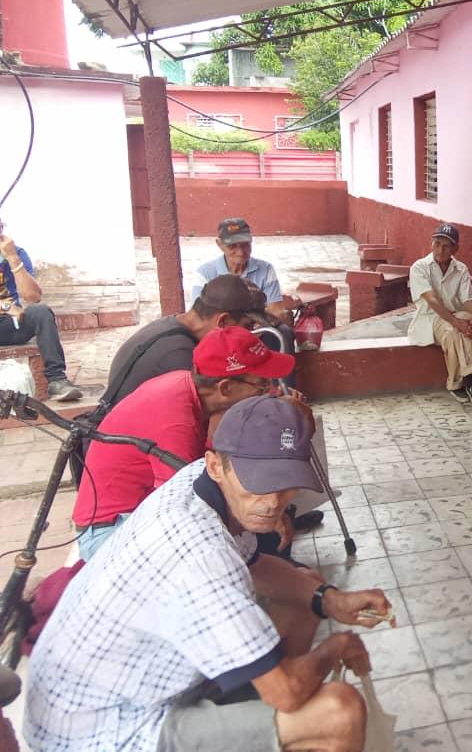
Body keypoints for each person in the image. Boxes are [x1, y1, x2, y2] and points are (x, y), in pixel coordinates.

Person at [25, 396, 393, 752]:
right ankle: (283, 725)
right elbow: (286, 693)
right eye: (259, 481)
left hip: (138, 689)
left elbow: (258, 565)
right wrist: (335, 648)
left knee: (308, 590)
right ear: (216, 465)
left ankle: (267, 726)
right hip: (105, 731)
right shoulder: (199, 558)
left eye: (284, 482)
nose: (272, 502)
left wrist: (330, 600)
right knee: (339, 712)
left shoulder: (199, 483)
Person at [71, 326, 294, 560]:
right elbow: (187, 506)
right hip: (110, 533)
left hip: (137, 514)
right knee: (240, 541)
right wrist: (264, 512)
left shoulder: (187, 387)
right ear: (226, 388)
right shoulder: (176, 421)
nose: (270, 391)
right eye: (262, 385)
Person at [105, 273, 269, 406]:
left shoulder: (173, 326)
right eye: (248, 326)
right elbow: (212, 407)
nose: (249, 334)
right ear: (223, 321)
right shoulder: (179, 356)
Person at [190, 217, 299, 385]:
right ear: (219, 244)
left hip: (258, 328)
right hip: (222, 332)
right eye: (232, 246)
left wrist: (253, 328)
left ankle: (284, 387)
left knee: (283, 333)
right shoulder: (204, 273)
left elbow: (276, 311)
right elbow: (203, 317)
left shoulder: (265, 269)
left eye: (245, 245)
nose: (240, 252)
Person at [407, 223, 472, 405]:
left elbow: (468, 300)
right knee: (453, 329)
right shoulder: (419, 267)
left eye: (446, 246)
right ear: (431, 244)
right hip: (430, 318)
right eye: (437, 244)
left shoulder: (461, 269)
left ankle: (455, 384)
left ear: (455, 249)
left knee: (459, 326)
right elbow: (432, 300)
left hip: (455, 317)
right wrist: (457, 322)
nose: (440, 250)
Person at [0, 223, 81, 401]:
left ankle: (57, 381)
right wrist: (5, 306)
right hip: (8, 313)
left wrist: (13, 259)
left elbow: (33, 297)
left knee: (40, 312)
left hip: (8, 325)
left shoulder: (16, 253)